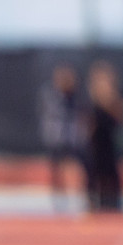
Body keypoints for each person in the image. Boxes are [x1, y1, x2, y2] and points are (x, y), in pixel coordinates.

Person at [84, 61, 123, 213]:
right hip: (96, 145)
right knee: (94, 174)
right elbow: (87, 123)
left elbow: (122, 117)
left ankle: (114, 203)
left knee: (112, 174)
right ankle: (94, 203)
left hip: (109, 143)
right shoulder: (91, 101)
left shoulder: (114, 101)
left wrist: (110, 99)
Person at [39, 64, 83, 209]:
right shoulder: (50, 95)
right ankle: (58, 198)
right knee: (56, 169)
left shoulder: (75, 97)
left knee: (72, 167)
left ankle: (75, 196)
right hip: (55, 139)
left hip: (71, 139)